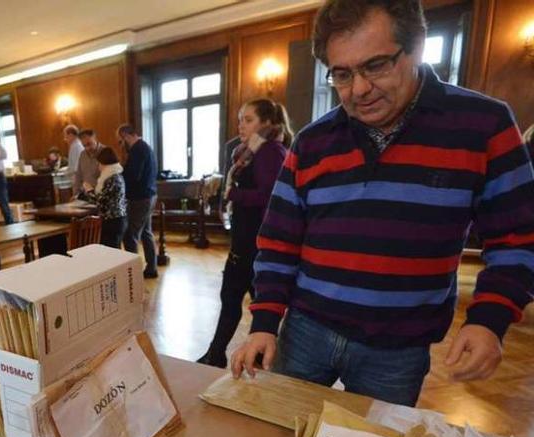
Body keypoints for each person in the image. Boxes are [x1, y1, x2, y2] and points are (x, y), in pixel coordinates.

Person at [230, 0, 534, 407]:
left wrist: (490, 320)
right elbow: (279, 239)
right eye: (342, 74)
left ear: (416, 47)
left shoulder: (485, 125)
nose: (358, 89)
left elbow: (518, 237)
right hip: (306, 330)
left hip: (398, 348)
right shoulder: (313, 141)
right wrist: (265, 322)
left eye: (376, 66)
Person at [197, 100, 293, 368]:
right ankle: (219, 355)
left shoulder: (270, 151)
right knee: (234, 298)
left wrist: (232, 193)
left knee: (238, 299)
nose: (241, 125)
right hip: (247, 239)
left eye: (248, 119)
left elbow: (269, 196)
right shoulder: (254, 150)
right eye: (240, 119)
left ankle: (229, 357)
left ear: (265, 123)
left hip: (255, 242)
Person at [117, 124, 159, 279]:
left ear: (126, 135)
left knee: (130, 235)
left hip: (140, 198)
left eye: (121, 140)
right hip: (149, 195)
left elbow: (134, 176)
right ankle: (151, 267)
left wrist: (121, 173)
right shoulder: (145, 147)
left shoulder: (137, 149)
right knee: (146, 233)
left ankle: (131, 275)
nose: (122, 144)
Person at [83, 147, 127, 249]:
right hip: (115, 219)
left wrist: (89, 190)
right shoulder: (115, 175)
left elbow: (101, 200)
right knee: (112, 251)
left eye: (99, 163)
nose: (98, 166)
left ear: (104, 163)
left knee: (111, 252)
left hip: (113, 220)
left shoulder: (112, 178)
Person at [76, 129, 103, 196]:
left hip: (101, 195)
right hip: (86, 195)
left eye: (89, 144)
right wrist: (76, 194)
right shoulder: (82, 154)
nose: (87, 148)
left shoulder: (105, 152)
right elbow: (79, 175)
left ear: (94, 138)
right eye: (84, 146)